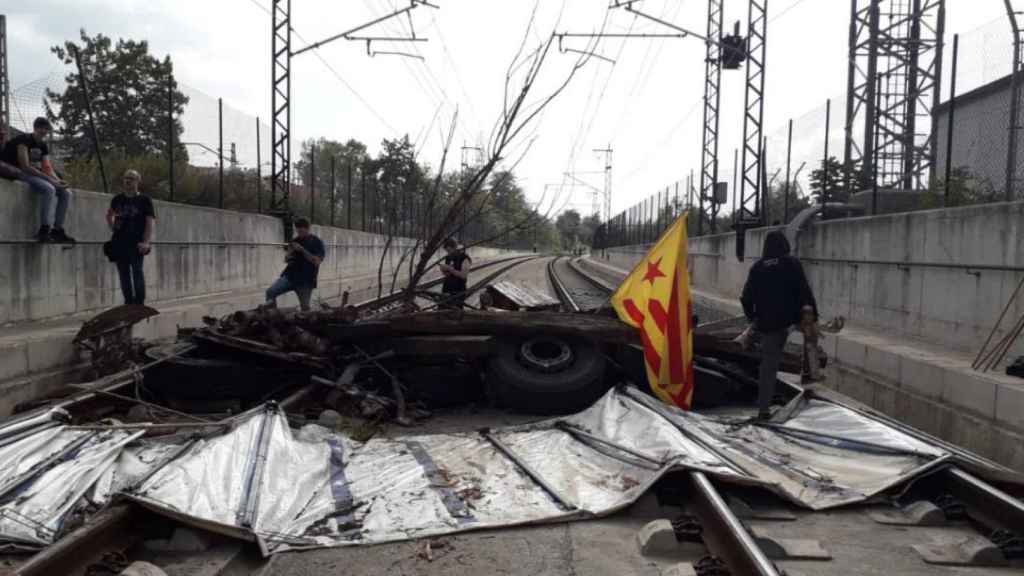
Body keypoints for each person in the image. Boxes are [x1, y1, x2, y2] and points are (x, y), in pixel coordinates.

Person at [740, 230, 817, 420]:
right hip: (793, 318)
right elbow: (804, 290)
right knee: (811, 348)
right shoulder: (792, 263)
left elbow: (746, 298)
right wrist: (812, 316)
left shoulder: (757, 268)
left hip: (769, 323)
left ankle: (763, 410)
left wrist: (753, 319)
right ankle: (810, 389)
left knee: (769, 365)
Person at [0, 117, 75, 243]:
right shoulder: (24, 140)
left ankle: (57, 230)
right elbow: (25, 166)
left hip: (31, 172)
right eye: (41, 130)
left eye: (46, 130)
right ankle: (44, 230)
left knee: (66, 193)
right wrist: (52, 182)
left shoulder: (42, 145)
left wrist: (58, 181)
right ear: (35, 128)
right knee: (49, 189)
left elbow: (47, 167)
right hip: (16, 170)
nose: (44, 132)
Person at [106, 169, 156, 305]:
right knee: (123, 274)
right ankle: (128, 303)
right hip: (119, 242)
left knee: (137, 272)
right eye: (126, 178)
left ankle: (139, 303)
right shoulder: (117, 199)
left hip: (136, 243)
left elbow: (149, 221)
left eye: (131, 178)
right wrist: (113, 228)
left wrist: (146, 242)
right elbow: (109, 215)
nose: (128, 181)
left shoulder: (144, 200)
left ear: (138, 181)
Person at [265, 218, 325, 311]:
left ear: (308, 228)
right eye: (298, 230)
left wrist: (302, 250)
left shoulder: (316, 242)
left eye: (302, 231)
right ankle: (271, 316)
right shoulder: (295, 241)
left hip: (305, 281)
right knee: (270, 292)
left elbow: (316, 262)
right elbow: (287, 260)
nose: (299, 233)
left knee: (305, 308)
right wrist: (289, 254)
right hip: (289, 276)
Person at [439, 238, 471, 308]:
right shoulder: (448, 257)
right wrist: (443, 270)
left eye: (449, 250)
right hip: (447, 288)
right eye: (446, 251)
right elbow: (448, 275)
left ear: (454, 247)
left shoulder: (465, 258)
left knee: (455, 312)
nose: (448, 252)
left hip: (458, 291)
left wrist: (450, 269)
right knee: (442, 309)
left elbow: (463, 275)